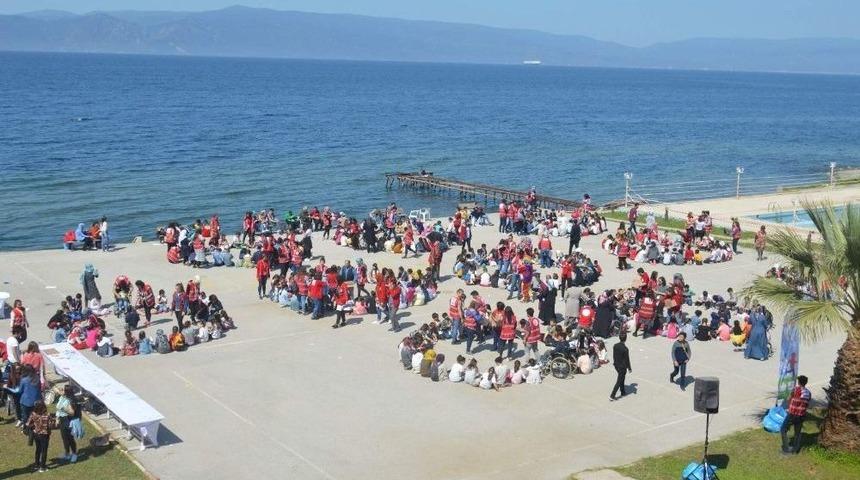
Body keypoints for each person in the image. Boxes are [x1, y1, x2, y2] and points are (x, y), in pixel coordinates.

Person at [781, 375, 811, 455]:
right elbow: (807, 404)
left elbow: (788, 399)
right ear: (805, 383)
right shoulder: (808, 393)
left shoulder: (795, 390)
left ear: (799, 382)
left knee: (783, 429)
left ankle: (786, 448)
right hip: (801, 416)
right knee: (797, 433)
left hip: (792, 414)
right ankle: (795, 450)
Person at [56, 384, 81, 463]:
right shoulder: (62, 397)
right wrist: (57, 418)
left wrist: (64, 409)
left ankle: (74, 454)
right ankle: (67, 453)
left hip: (68, 420)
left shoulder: (71, 400)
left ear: (67, 392)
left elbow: (72, 413)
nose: (62, 391)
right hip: (62, 420)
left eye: (63, 390)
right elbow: (58, 408)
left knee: (70, 438)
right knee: (64, 438)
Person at [26, 400, 52, 472]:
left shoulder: (33, 414)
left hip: (36, 434)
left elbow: (28, 424)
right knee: (44, 451)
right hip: (44, 435)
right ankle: (42, 467)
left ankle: (36, 465)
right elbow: (50, 425)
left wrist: (34, 426)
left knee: (38, 449)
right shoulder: (47, 415)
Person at [610, 333, 632, 400]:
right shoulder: (625, 349)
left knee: (622, 378)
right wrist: (629, 368)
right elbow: (627, 359)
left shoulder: (615, 346)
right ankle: (612, 395)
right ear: (626, 339)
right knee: (619, 380)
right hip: (622, 367)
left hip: (616, 365)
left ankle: (623, 391)